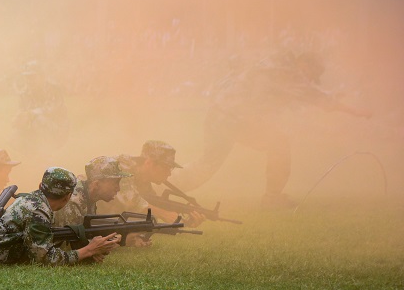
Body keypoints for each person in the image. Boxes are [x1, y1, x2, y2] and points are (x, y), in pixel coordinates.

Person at [172, 50, 372, 208]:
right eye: (312, 75)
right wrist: (355, 111)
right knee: (278, 144)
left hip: (221, 114)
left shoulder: (275, 66)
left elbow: (296, 95)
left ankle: (164, 181)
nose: (310, 79)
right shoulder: (288, 73)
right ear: (304, 64)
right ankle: (272, 198)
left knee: (207, 164)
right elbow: (316, 97)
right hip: (235, 118)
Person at [100, 141, 205, 228]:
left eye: (170, 168)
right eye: (166, 167)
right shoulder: (121, 165)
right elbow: (129, 199)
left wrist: (185, 220)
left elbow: (147, 216)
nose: (169, 173)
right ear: (148, 163)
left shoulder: (144, 183)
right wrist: (163, 213)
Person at [52, 156, 131, 227]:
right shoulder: (73, 201)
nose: (118, 188)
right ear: (96, 184)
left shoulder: (89, 197)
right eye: (115, 183)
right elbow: (69, 238)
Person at [12, 61, 69, 149]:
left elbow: (50, 109)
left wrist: (30, 114)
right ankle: (28, 150)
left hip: (58, 130)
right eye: (27, 77)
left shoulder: (53, 89)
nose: (29, 81)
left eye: (32, 77)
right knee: (18, 128)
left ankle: (48, 150)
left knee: (38, 121)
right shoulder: (24, 93)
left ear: (42, 77)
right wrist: (18, 118)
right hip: (35, 126)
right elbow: (22, 110)